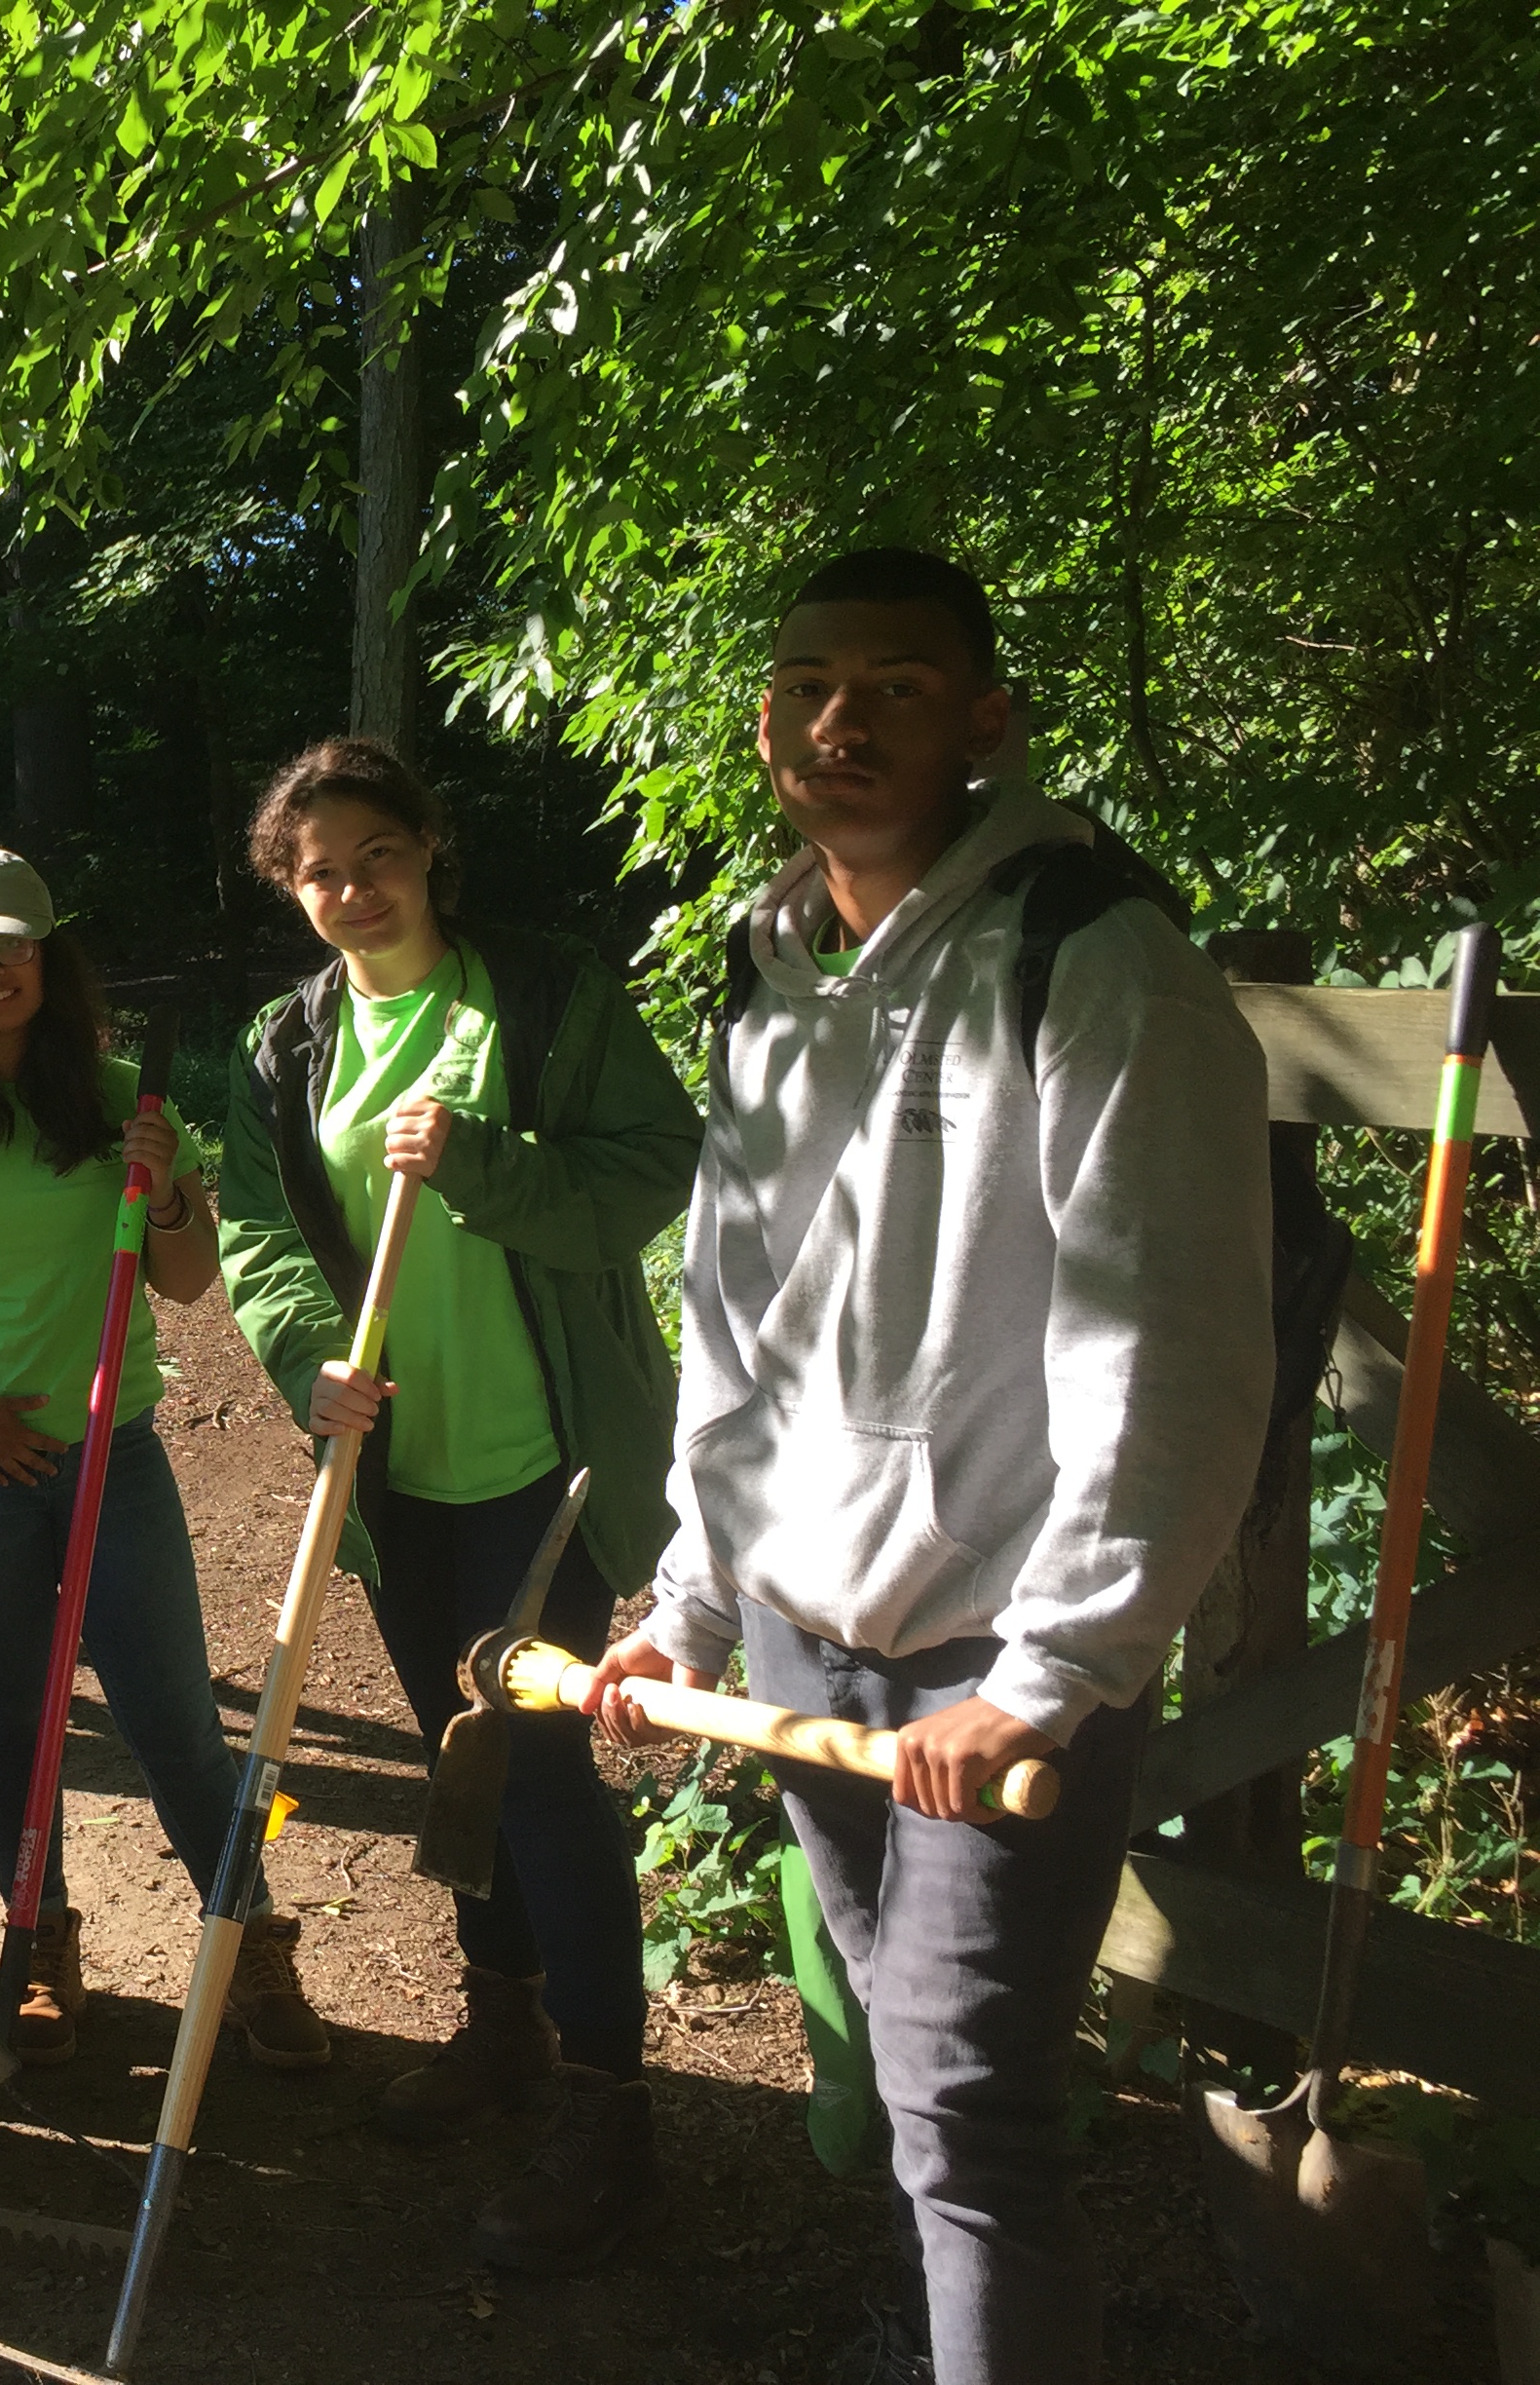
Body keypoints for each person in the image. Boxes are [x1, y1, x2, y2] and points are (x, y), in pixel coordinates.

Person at [586, 548, 1273, 2383]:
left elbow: (1171, 1347)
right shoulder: (766, 964)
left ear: (982, 718)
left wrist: (1050, 1675)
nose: (841, 720)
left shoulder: (1091, 954)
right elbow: (733, 1325)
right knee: (901, 2063)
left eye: (895, 683)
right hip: (808, 1636)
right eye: (808, 682)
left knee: (966, 2109)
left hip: (992, 1657)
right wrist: (692, 1600)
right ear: (761, 724)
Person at [216, 736, 700, 2267]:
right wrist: (308, 1365)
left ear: (429, 845)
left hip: (539, 1466)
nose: (350, 891)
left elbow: (655, 1170)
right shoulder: (285, 1046)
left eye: (373, 855)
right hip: (396, 1475)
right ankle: (504, 2027)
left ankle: (608, 2101)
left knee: (541, 1769)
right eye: (316, 873)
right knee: (459, 1757)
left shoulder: (544, 996)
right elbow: (256, 1232)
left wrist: (486, 1161)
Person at [0, 849, 331, 2069]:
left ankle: (243, 1940)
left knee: (175, 1719)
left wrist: (168, 1194)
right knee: (18, 1714)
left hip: (114, 1452)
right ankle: (38, 1936)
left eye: (15, 943)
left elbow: (190, 1282)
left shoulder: (130, 1102)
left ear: (48, 955)